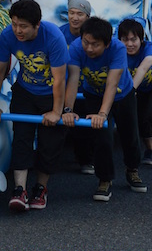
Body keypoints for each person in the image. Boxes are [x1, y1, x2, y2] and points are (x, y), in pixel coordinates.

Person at [0, 0, 68, 212]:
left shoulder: (53, 37)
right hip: (25, 90)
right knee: (21, 137)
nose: (18, 30)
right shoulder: (8, 35)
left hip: (52, 93)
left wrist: (56, 111)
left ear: (37, 25)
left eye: (23, 26)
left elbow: (60, 79)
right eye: (14, 24)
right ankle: (19, 190)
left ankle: (41, 188)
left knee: (48, 143)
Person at [64, 17, 146, 202]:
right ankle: (104, 178)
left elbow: (112, 84)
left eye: (95, 44)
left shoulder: (117, 48)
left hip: (122, 94)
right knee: (102, 137)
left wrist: (103, 113)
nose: (89, 48)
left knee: (130, 135)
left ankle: (132, 169)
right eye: (86, 42)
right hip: (93, 94)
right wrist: (68, 109)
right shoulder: (77, 48)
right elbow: (73, 79)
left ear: (107, 43)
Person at [58, 0, 95, 174]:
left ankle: (86, 161)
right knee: (56, 126)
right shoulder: (59, 34)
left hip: (85, 89)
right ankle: (50, 162)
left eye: (80, 14)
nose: (75, 17)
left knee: (82, 128)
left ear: (87, 17)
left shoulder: (93, 36)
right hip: (60, 88)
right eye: (71, 13)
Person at [118, 18, 152, 166]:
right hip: (132, 89)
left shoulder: (148, 48)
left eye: (134, 39)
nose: (130, 44)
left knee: (146, 117)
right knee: (138, 120)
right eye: (125, 40)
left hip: (147, 88)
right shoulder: (116, 50)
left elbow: (144, 67)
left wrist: (130, 91)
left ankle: (150, 150)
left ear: (141, 39)